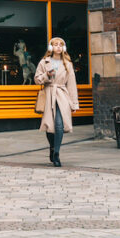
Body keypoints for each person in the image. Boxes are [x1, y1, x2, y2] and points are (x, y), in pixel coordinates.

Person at [34, 37, 79, 166]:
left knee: (59, 124)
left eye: (61, 45)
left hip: (62, 96)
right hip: (49, 95)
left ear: (64, 48)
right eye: (55, 45)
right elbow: (37, 79)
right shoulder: (44, 62)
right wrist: (46, 76)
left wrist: (74, 103)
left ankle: (57, 153)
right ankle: (52, 147)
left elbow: (72, 84)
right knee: (50, 126)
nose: (58, 47)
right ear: (51, 48)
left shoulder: (68, 64)